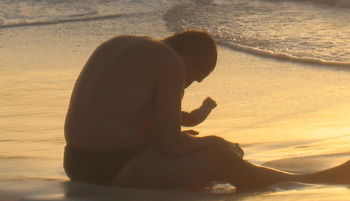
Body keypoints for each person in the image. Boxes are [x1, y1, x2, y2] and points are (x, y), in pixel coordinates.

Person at [64, 30, 350, 190]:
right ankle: (311, 181)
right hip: (110, 168)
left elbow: (128, 123)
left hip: (75, 163)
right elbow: (171, 147)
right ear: (190, 62)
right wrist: (215, 142)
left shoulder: (121, 44)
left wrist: (183, 140)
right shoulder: (171, 63)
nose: (188, 85)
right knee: (222, 159)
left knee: (200, 148)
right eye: (195, 78)